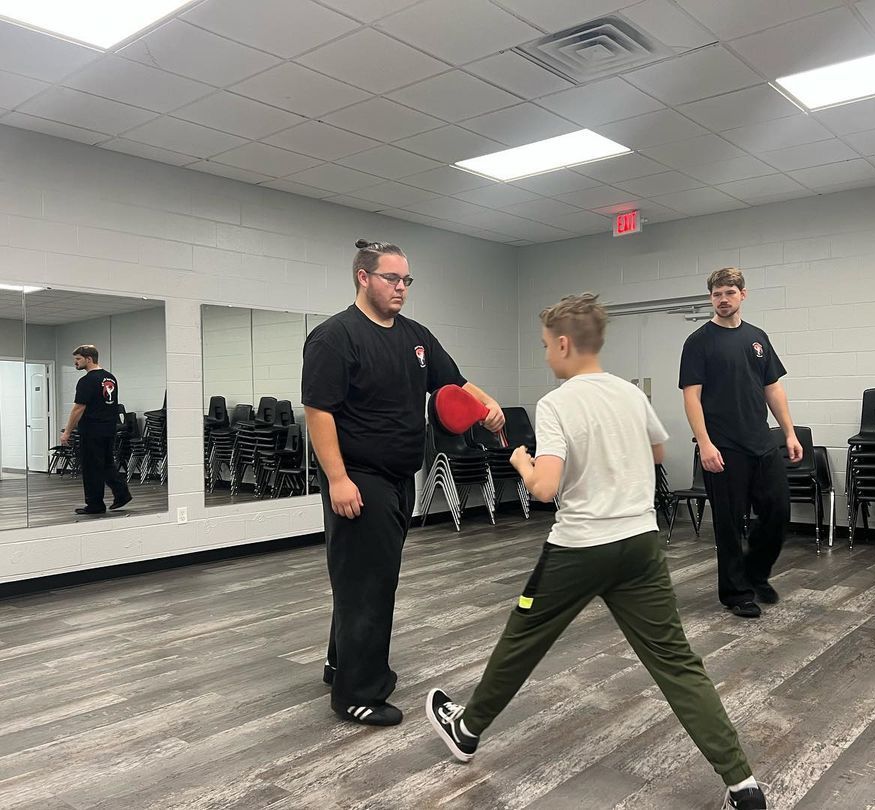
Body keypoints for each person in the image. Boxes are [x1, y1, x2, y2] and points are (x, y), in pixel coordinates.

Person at [426, 293, 768, 810]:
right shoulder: (631, 395)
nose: (545, 355)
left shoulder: (556, 403)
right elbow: (658, 450)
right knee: (677, 663)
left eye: (545, 345)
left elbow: (544, 488)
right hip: (641, 546)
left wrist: (521, 460)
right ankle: (742, 784)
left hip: (579, 550)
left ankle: (467, 730)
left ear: (564, 344)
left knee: (522, 640)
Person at [301, 239, 505, 727]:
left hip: (399, 476)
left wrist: (486, 403)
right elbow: (318, 411)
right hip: (359, 478)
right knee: (368, 585)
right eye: (392, 278)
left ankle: (341, 665)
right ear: (363, 278)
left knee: (365, 580)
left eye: (406, 280)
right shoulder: (335, 337)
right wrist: (337, 479)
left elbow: (452, 383)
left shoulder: (415, 335)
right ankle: (357, 693)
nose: (401, 288)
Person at [679, 267, 800, 619]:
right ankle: (736, 593)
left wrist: (789, 432)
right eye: (717, 294)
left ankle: (755, 573)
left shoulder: (757, 338)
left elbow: (772, 388)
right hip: (723, 446)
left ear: (742, 295)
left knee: (778, 511)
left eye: (729, 293)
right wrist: (704, 443)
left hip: (761, 441)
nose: (723, 299)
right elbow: (691, 396)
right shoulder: (699, 342)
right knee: (730, 524)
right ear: (711, 299)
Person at [60, 345, 131, 516]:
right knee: (106, 464)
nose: (75, 363)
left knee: (91, 467)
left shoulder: (86, 381)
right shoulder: (110, 378)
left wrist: (67, 432)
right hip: (108, 429)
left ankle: (95, 504)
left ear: (89, 359)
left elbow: (78, 408)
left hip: (92, 430)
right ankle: (122, 493)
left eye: (78, 359)